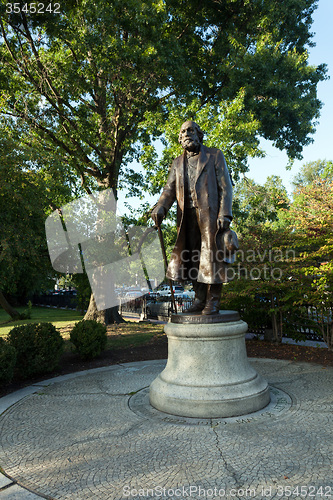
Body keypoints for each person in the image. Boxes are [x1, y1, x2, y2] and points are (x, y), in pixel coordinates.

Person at [151, 120, 236, 315]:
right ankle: (199, 299)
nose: (187, 134)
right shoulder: (177, 162)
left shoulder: (215, 155)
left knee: (213, 257)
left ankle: (213, 300)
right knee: (191, 257)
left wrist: (225, 213)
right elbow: (169, 189)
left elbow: (226, 186)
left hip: (211, 216)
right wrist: (160, 207)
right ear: (180, 138)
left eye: (191, 130)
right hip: (186, 216)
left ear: (199, 134)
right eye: (183, 132)